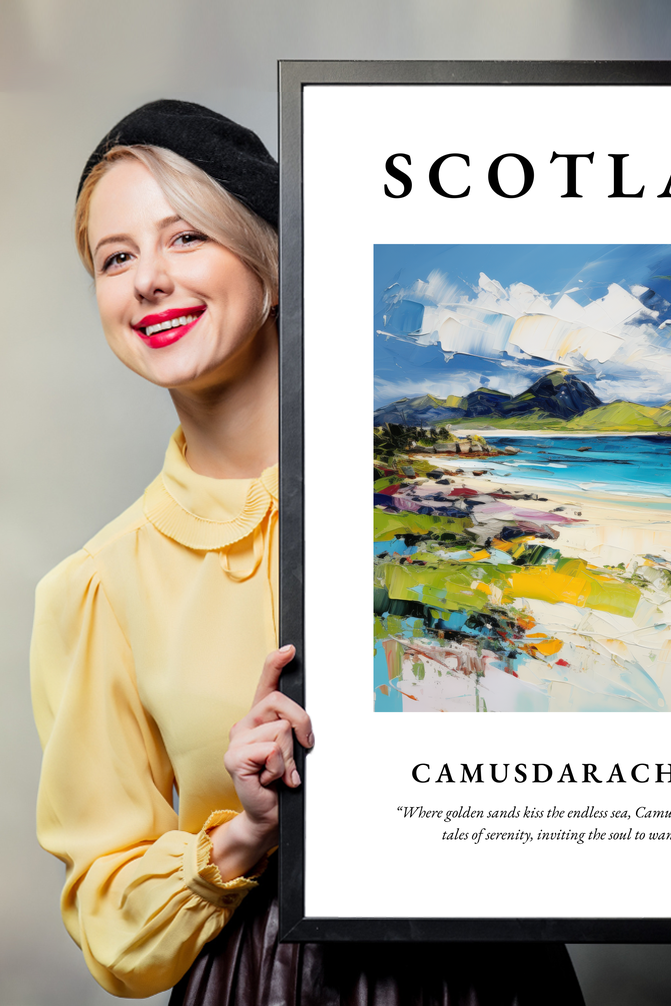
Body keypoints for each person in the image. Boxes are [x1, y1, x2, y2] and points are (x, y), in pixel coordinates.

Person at [30, 100, 586, 1004]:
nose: (148, 281)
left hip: (493, 972)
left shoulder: (447, 503)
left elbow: (612, 707)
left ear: (273, 263)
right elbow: (110, 924)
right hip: (262, 981)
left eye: (185, 238)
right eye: (116, 257)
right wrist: (245, 832)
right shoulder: (97, 587)